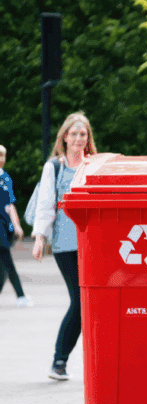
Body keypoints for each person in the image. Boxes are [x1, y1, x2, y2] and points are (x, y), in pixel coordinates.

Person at [32, 112, 98, 381]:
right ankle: (59, 360)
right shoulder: (55, 167)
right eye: (74, 134)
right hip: (65, 244)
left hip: (93, 244)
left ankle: (85, 362)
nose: (78, 139)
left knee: (91, 303)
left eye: (83, 135)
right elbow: (46, 203)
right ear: (65, 137)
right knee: (80, 302)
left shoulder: (94, 165)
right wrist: (39, 238)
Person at [1, 145, 31, 307]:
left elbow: (11, 206)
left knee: (3, 267)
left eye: (3, 156)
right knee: (7, 262)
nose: (1, 159)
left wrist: (17, 226)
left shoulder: (6, 178)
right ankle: (20, 296)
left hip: (5, 228)